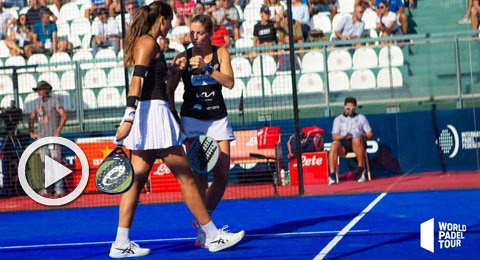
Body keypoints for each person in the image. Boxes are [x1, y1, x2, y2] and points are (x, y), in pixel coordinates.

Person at [112, 3, 244, 257]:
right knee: (186, 179)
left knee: (136, 182)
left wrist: (172, 71)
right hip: (153, 117)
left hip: (151, 115)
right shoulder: (148, 42)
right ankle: (213, 236)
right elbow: (137, 80)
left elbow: (153, 81)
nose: (173, 26)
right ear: (162, 19)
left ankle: (120, 243)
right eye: (170, 21)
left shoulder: (151, 44)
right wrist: (128, 117)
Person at [167, 14, 238, 250]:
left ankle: (202, 223)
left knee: (223, 174)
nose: (194, 37)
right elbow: (169, 89)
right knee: (199, 176)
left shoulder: (221, 53)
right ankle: (208, 231)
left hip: (218, 118)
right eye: (191, 33)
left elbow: (229, 82)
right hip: (193, 119)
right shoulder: (183, 57)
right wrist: (174, 116)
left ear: (210, 33)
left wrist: (207, 68)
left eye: (199, 33)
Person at [29, 81, 68, 197]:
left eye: (41, 89)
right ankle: (47, 188)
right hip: (41, 137)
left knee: (56, 162)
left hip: (52, 136)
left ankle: (58, 189)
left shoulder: (54, 101)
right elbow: (31, 118)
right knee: (45, 164)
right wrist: (31, 131)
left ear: (47, 90)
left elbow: (64, 116)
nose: (40, 92)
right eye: (38, 90)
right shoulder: (36, 103)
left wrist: (58, 131)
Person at [328, 96, 373, 184]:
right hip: (344, 143)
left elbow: (370, 133)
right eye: (348, 108)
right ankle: (332, 175)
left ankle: (361, 171)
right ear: (344, 107)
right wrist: (344, 137)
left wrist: (365, 137)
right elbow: (334, 136)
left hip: (358, 142)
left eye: (353, 108)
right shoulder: (338, 119)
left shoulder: (361, 118)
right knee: (334, 146)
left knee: (356, 139)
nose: (351, 110)